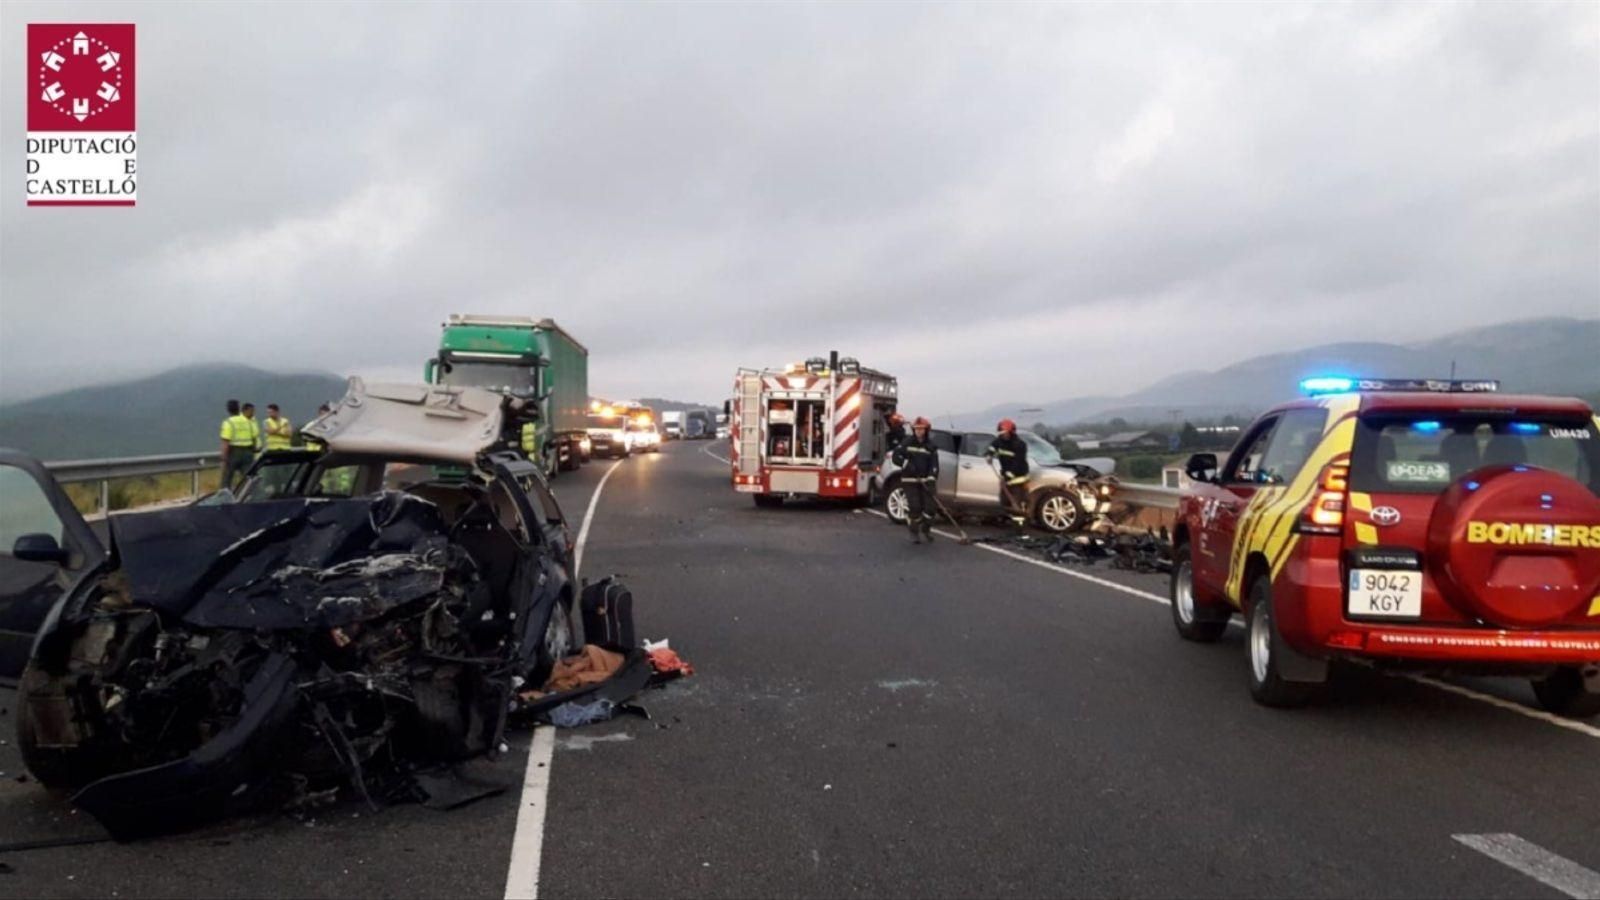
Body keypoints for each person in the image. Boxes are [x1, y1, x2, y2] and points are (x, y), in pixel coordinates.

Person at [891, 416, 939, 544]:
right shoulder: (907, 442)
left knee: (930, 508)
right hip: (909, 480)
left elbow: (934, 465)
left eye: (921, 429)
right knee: (915, 507)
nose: (919, 431)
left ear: (926, 430)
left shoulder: (931, 446)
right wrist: (906, 464)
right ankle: (914, 532)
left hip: (925, 481)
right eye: (916, 429)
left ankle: (926, 529)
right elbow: (896, 456)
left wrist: (931, 478)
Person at [984, 418, 1030, 527]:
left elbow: (1017, 463)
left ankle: (1019, 527)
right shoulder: (1000, 441)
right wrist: (989, 455)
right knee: (1004, 501)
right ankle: (1007, 521)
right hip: (1006, 477)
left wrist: (1007, 477)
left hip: (1018, 479)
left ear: (1010, 432)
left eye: (1004, 433)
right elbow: (992, 447)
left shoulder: (1020, 445)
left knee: (1016, 504)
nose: (1002, 435)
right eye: (1001, 433)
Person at [219, 399, 256, 491]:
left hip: (234, 452)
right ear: (239, 409)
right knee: (248, 478)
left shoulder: (228, 422)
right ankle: (250, 495)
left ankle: (225, 496)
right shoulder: (247, 421)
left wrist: (224, 458)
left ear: (228, 409)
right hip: (248, 452)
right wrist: (253, 450)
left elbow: (225, 442)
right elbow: (254, 438)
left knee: (227, 478)